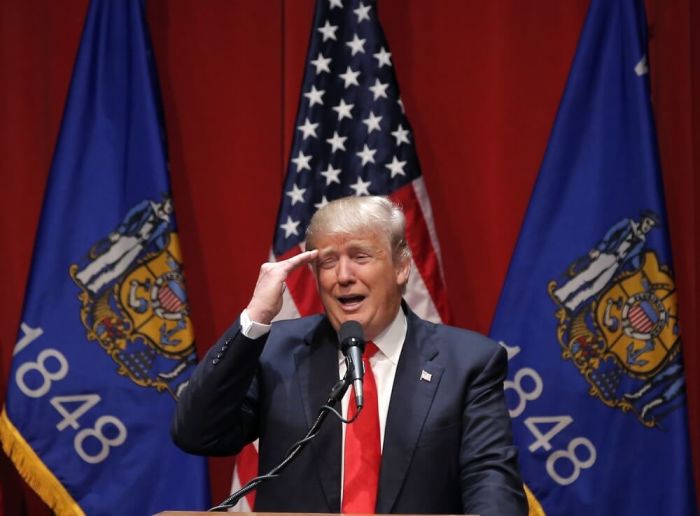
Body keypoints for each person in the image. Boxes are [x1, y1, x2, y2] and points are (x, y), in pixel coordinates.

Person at [172, 196, 527, 515]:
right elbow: (196, 433)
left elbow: (491, 481)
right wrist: (254, 320)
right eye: (328, 262)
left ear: (401, 266)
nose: (343, 276)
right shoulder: (276, 351)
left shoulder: (468, 362)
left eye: (360, 256)